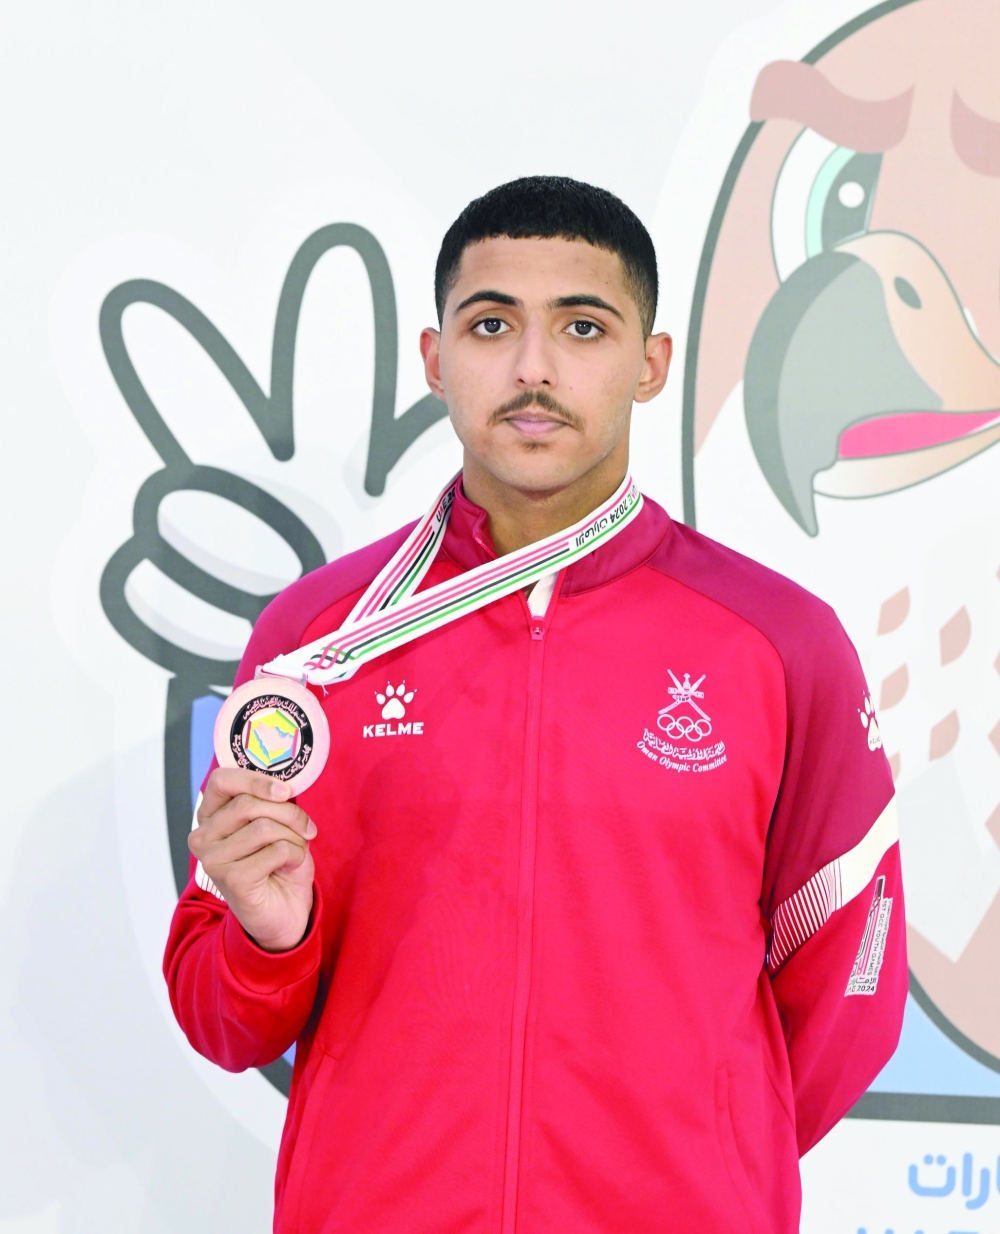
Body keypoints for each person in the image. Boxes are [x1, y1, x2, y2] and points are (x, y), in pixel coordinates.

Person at [164, 176, 906, 1232]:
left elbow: (849, 988)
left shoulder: (780, 643)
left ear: (650, 364)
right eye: (490, 323)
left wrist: (700, 1162)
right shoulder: (318, 639)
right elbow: (217, 1010)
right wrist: (268, 943)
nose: (532, 367)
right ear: (434, 358)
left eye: (583, 326)